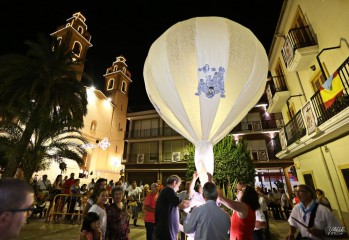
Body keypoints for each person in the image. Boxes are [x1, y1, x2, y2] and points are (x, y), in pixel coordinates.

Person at [154, 175, 192, 240]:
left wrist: (187, 231)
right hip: (165, 234)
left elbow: (173, 220)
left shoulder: (167, 194)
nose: (178, 189)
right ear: (174, 183)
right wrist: (195, 201)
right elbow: (182, 205)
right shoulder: (168, 191)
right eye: (178, 185)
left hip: (165, 232)